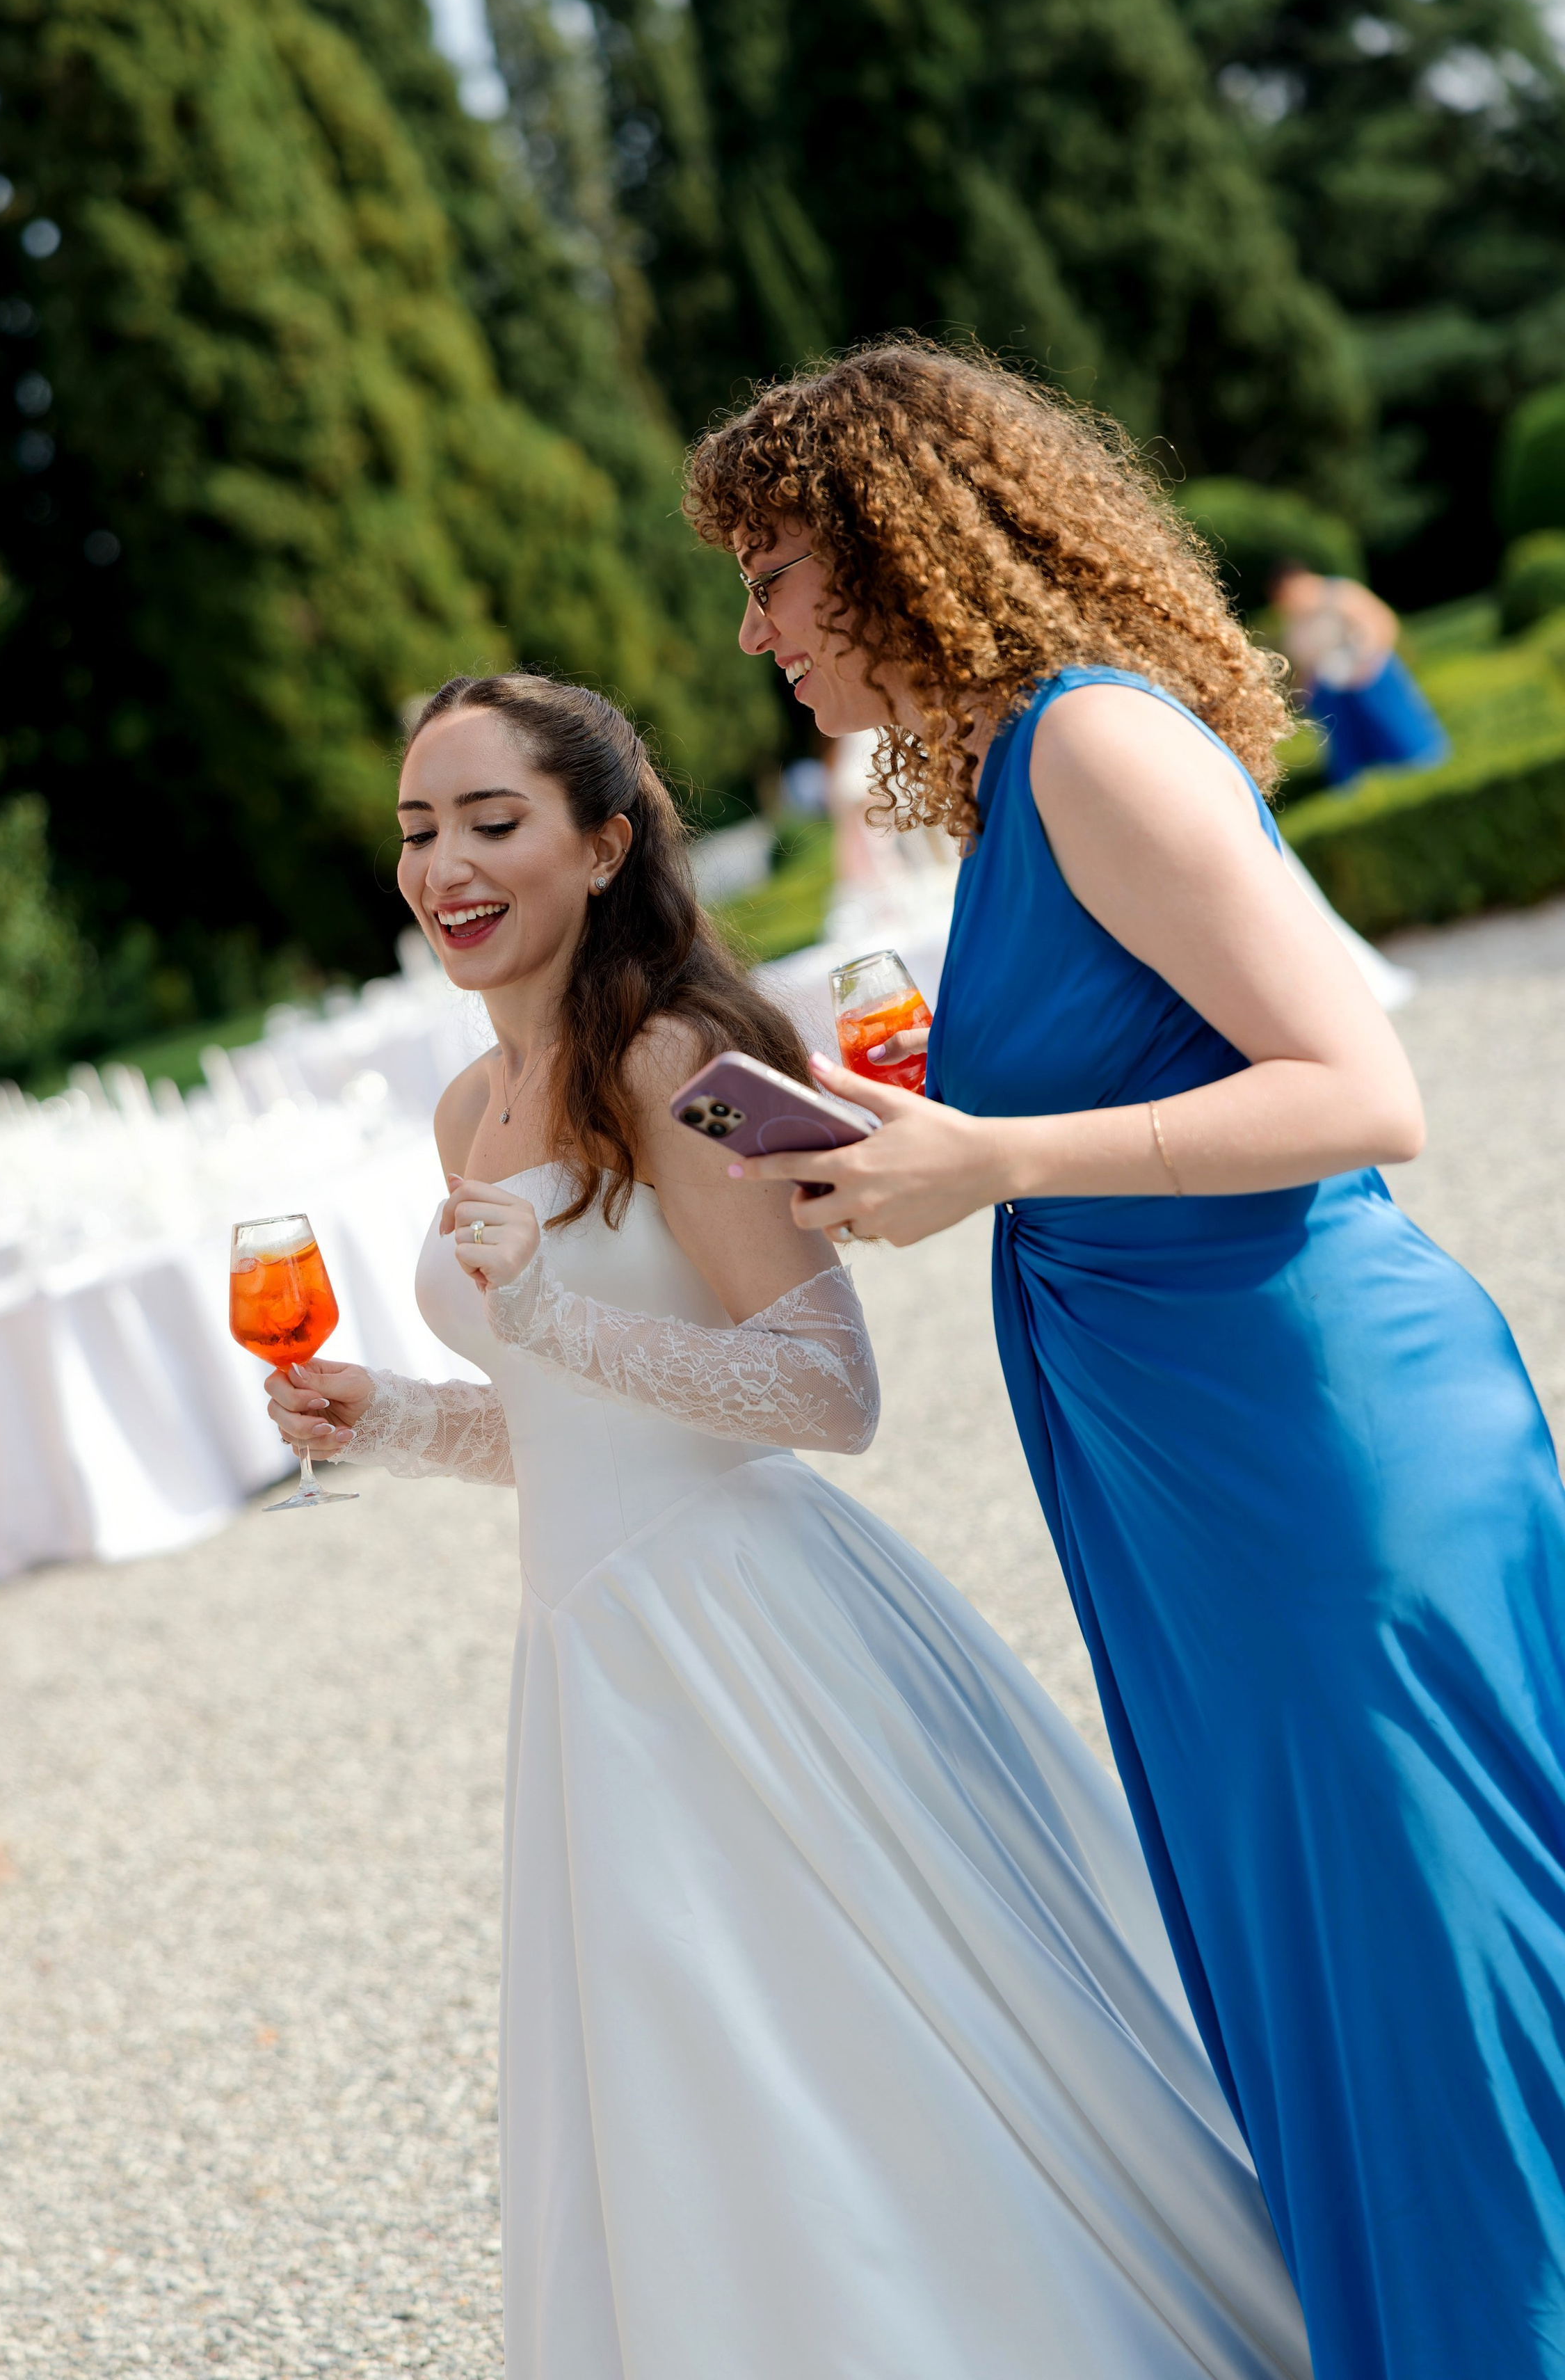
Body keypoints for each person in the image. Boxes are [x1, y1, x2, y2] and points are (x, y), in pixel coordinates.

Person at [265, 671, 1309, 2380]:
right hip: (592, 1660)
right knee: (690, 2094)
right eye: (415, 829)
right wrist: (386, 1416)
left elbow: (827, 1389)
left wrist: (545, 1323)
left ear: (604, 844)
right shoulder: (465, 1106)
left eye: (489, 820)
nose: (442, 863)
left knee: (869, 2066)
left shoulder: (687, 1057)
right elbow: (569, 1424)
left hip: (750, 1638)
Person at [690, 340, 1565, 2380]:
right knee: (1341, 1974)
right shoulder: (1017, 782)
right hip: (1200, 1469)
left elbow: (1359, 1089)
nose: (754, 633)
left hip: (1308, 1456)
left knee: (1430, 1977)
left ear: (890, 549)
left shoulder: (1094, 744)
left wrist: (987, 1156)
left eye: (771, 577)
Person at [1266, 559, 1447, 788]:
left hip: (1371, 672)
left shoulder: (1340, 594)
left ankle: (1417, 760)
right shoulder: (1294, 620)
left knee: (1392, 727)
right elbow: (1305, 661)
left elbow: (1382, 622)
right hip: (1334, 686)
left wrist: (1366, 659)